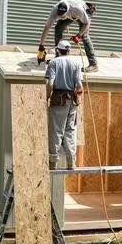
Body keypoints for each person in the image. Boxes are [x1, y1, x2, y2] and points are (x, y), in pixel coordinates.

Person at [45, 40, 84, 170]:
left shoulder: (54, 62)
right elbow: (79, 85)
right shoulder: (76, 63)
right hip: (71, 101)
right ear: (69, 50)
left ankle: (53, 162)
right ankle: (71, 163)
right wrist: (77, 99)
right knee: (70, 131)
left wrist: (47, 96)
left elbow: (50, 83)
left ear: (58, 50)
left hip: (59, 100)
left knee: (57, 130)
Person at [37, 0, 98, 72]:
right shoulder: (55, 10)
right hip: (71, 14)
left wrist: (78, 35)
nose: (61, 17)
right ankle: (58, 57)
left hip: (83, 14)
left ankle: (93, 64)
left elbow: (87, 23)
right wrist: (41, 46)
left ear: (67, 11)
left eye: (62, 15)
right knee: (58, 28)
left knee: (84, 36)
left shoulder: (78, 10)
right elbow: (47, 27)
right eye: (59, 15)